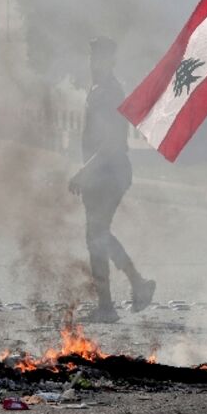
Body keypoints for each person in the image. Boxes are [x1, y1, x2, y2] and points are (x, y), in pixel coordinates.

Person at [67, 37, 155, 323]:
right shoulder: (98, 90)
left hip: (109, 173)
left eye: (100, 58)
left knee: (96, 235)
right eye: (92, 57)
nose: (95, 63)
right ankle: (130, 289)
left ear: (111, 60)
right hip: (101, 174)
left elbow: (112, 143)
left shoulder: (110, 92)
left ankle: (115, 300)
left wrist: (84, 171)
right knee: (97, 235)